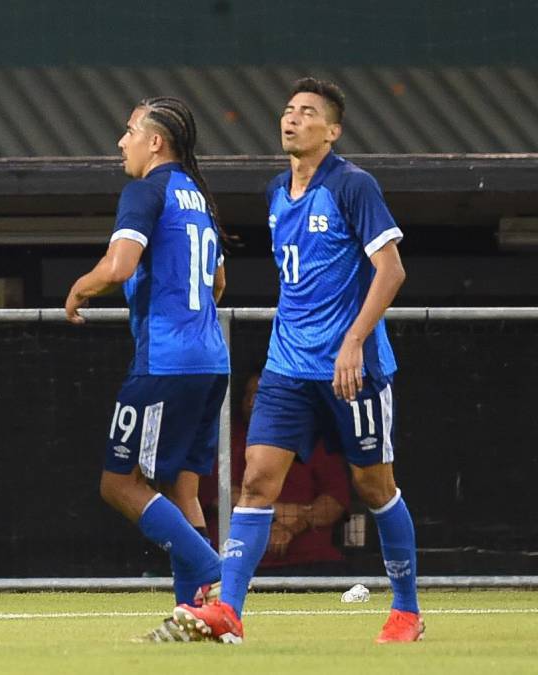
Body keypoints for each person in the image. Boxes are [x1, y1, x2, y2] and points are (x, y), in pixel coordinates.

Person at [173, 78, 419, 644]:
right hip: (287, 367)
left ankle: (406, 610)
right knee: (257, 482)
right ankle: (229, 612)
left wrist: (355, 340)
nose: (292, 120)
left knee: (375, 485)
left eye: (307, 113)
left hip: (354, 368)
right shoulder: (275, 192)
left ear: (332, 131)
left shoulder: (354, 186)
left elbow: (392, 269)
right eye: (288, 111)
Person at [64, 96, 229, 641]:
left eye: (129, 131)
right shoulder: (198, 196)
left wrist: (80, 289)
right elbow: (219, 284)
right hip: (211, 360)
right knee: (183, 491)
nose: (121, 142)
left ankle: (213, 575)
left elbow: (119, 266)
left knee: (119, 484)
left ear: (155, 141)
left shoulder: (145, 190)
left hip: (166, 363)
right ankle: (201, 619)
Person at [200, 374, 350, 574]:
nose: (252, 401)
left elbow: (335, 501)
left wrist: (295, 524)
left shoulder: (313, 439)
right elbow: (218, 497)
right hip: (234, 559)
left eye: (260, 394)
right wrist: (280, 512)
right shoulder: (225, 438)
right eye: (248, 395)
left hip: (309, 562)